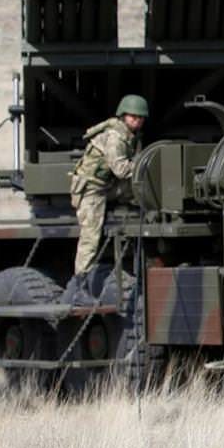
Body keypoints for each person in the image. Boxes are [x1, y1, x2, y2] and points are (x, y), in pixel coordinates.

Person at [68, 94, 147, 303]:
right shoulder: (115, 137)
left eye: (140, 118)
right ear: (123, 116)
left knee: (133, 188)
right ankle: (79, 288)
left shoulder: (130, 136)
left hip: (105, 186)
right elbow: (121, 169)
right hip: (91, 190)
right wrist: (143, 165)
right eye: (133, 117)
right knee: (90, 238)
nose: (137, 121)